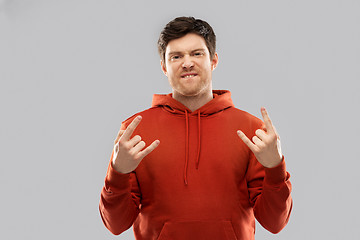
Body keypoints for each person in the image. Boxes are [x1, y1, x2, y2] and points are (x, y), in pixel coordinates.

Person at [99, 16, 292, 240]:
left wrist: (275, 168)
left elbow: (275, 223)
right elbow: (115, 224)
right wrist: (118, 173)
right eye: (176, 56)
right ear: (164, 66)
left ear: (214, 60)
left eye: (197, 53)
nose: (187, 62)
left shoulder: (251, 130)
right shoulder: (136, 130)